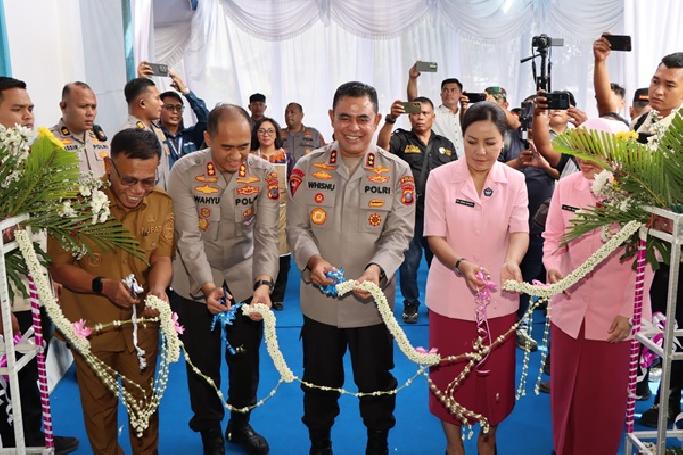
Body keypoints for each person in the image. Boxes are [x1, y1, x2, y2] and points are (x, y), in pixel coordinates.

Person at [287, 81, 414, 455]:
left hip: (372, 306)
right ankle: (319, 446)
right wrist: (313, 260)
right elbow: (296, 227)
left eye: (363, 118)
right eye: (345, 117)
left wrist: (376, 270)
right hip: (320, 305)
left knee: (376, 386)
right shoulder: (307, 167)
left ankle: (378, 445)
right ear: (331, 118)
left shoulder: (397, 171)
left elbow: (399, 233)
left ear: (376, 119)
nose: (353, 127)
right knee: (318, 385)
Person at [48, 128, 174, 454]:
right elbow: (59, 267)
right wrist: (102, 286)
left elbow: (162, 257)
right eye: (129, 180)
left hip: (140, 326)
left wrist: (158, 288)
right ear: (109, 166)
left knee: (143, 406)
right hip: (92, 325)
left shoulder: (160, 204)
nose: (138, 190)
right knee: (99, 410)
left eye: (148, 181)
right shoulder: (75, 206)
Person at [168, 104, 278, 455]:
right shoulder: (184, 171)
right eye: (226, 147)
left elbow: (267, 236)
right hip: (194, 280)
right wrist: (207, 287)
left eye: (243, 146)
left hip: (245, 277)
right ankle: (210, 431)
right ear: (207, 138)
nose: (236, 156)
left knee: (246, 359)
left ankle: (241, 424)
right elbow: (188, 238)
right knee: (202, 364)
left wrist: (264, 285)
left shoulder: (264, 172)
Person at [543, 117, 653, 455]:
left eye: (593, 151)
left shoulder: (637, 193)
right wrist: (553, 267)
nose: (583, 159)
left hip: (614, 316)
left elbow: (646, 259)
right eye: (578, 150)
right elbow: (553, 238)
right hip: (568, 309)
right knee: (564, 394)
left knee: (603, 402)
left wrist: (629, 311)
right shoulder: (566, 186)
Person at [424, 102, 529, 455]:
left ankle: (488, 440)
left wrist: (512, 261)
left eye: (490, 142)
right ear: (462, 138)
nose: (480, 151)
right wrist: (462, 264)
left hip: (499, 297)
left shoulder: (515, 181)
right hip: (450, 297)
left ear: (504, 141)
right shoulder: (441, 178)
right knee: (449, 376)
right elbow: (435, 237)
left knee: (494, 377)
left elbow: (520, 231)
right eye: (472, 142)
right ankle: (453, 445)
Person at [0, 76, 79, 455]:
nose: (28, 116)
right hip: (7, 296)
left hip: (34, 287)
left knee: (32, 369)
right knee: (9, 377)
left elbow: (38, 228)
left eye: (30, 107)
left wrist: (50, 276)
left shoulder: (30, 159)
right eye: (17, 108)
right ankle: (15, 442)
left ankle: (34, 437)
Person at [633, 52, 683, 426]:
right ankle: (648, 391)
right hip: (647, 247)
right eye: (655, 82)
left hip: (679, 251)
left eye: (669, 85)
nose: (659, 91)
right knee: (654, 321)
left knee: (678, 331)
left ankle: (670, 403)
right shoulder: (643, 124)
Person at [377, 96, 456, 323]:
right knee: (409, 263)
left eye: (425, 113)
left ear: (433, 116)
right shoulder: (401, 139)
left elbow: (456, 176)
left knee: (439, 262)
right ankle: (411, 303)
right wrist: (390, 119)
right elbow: (382, 148)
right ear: (410, 116)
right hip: (409, 212)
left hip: (438, 213)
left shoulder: (445, 144)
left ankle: (436, 301)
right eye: (416, 113)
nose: (420, 117)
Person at [251, 117, 293, 310]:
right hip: (256, 212)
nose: (266, 135)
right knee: (259, 253)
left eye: (270, 131)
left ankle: (278, 296)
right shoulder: (251, 157)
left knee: (282, 255)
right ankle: (261, 290)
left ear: (276, 134)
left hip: (282, 212)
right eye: (261, 131)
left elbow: (294, 185)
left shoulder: (287, 157)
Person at [50, 82, 109, 177]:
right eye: (83, 106)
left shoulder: (100, 137)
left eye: (93, 107)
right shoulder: (49, 140)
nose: (90, 113)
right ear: (63, 107)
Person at [121, 77, 171, 189]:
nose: (161, 103)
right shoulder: (129, 135)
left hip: (162, 196)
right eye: (157, 99)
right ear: (143, 103)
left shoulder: (156, 129)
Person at [407, 64, 465, 158]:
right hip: (441, 160)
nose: (448, 93)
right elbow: (414, 104)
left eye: (453, 90)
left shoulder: (467, 114)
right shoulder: (433, 113)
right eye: (445, 90)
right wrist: (412, 78)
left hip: (466, 162)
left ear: (460, 94)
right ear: (441, 94)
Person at [157, 70, 209, 167]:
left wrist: (186, 91)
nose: (175, 111)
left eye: (179, 107)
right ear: (159, 109)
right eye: (169, 107)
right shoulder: (154, 136)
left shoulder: (191, 135)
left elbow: (207, 119)